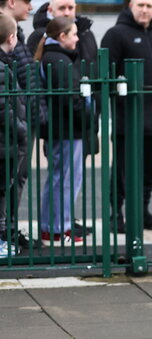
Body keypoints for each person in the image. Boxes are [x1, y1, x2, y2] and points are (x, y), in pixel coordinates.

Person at [101, 0, 152, 233]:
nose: (144, 10)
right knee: (121, 170)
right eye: (140, 5)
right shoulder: (116, 34)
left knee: (148, 170)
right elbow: (106, 75)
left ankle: (142, 212)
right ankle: (115, 215)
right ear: (131, 6)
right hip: (127, 120)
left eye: (149, 6)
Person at [35, 16, 94, 244]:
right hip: (68, 129)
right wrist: (87, 116)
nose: (78, 38)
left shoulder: (53, 58)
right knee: (67, 178)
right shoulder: (60, 61)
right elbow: (72, 100)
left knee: (61, 177)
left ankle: (54, 226)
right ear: (62, 36)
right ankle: (59, 227)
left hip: (62, 128)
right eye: (74, 34)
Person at [0, 0, 45, 251]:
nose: (31, 5)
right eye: (26, 0)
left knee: (16, 179)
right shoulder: (7, 34)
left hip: (20, 120)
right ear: (12, 2)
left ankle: (9, 229)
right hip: (12, 125)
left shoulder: (18, 33)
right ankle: (5, 232)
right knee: (9, 181)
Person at [0, 12, 26, 256]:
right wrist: (21, 130)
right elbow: (5, 109)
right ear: (11, 38)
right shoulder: (3, 69)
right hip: (4, 143)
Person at [27, 0, 99, 73]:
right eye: (62, 8)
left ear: (75, 8)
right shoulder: (40, 36)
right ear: (50, 10)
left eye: (70, 8)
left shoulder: (86, 33)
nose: (67, 13)